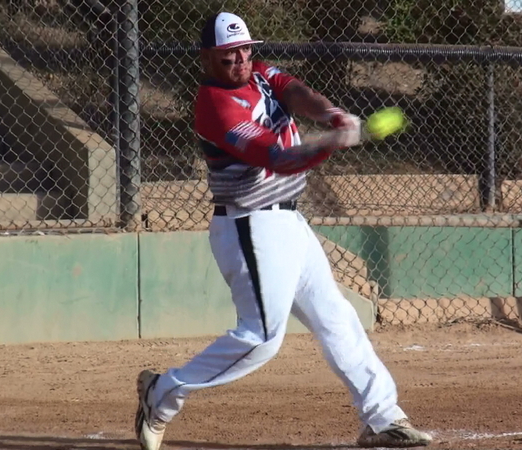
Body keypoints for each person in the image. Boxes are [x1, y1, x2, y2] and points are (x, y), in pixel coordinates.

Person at [134, 11, 433, 450]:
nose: (240, 59)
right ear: (206, 58)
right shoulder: (215, 105)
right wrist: (332, 143)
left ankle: (383, 418)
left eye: (244, 49)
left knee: (336, 318)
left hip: (290, 222)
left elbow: (295, 91)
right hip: (250, 226)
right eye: (228, 54)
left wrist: (332, 115)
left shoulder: (258, 73)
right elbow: (277, 158)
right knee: (261, 338)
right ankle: (162, 392)